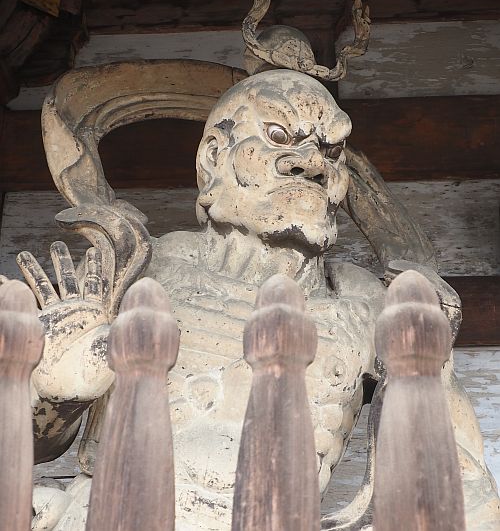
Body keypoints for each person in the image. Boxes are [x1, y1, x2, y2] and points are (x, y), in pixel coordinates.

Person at [20, 69, 500, 530]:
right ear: (214, 158)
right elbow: (30, 439)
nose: (312, 163)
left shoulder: (366, 304)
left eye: (331, 150)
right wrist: (57, 395)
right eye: (278, 137)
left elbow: (461, 476)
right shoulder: (138, 271)